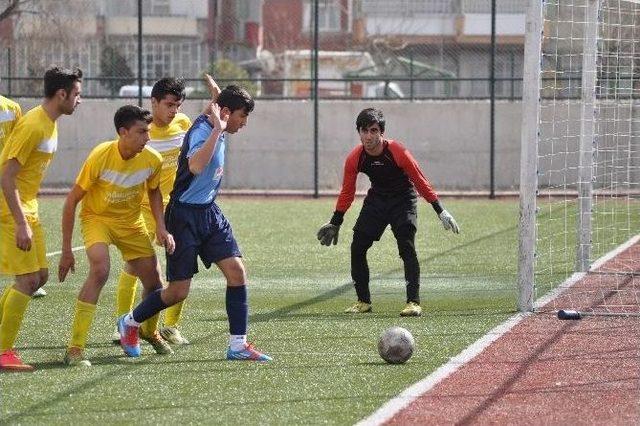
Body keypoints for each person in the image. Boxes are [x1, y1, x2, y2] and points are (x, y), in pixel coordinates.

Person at [117, 85, 271, 361]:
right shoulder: (204, 130)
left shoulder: (216, 121)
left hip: (209, 213)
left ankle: (237, 344)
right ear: (225, 114)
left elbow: (219, 108)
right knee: (177, 291)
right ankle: (130, 322)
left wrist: (218, 102)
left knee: (236, 272)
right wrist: (217, 130)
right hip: (183, 216)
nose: (244, 123)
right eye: (242, 117)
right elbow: (197, 166)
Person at [58, 105, 176, 366]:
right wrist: (66, 250)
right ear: (122, 132)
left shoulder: (152, 159)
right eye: (141, 132)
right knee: (100, 270)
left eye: (148, 132)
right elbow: (71, 201)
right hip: (97, 219)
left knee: (155, 282)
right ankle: (75, 349)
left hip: (131, 223)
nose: (147, 137)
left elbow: (154, 191)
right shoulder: (101, 156)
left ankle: (148, 331)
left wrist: (160, 225)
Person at [316, 107, 459, 317]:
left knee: (406, 247)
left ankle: (413, 302)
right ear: (359, 132)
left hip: (403, 200)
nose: (368, 136)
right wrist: (335, 221)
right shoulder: (355, 157)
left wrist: (440, 210)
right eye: (364, 131)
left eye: (373, 130)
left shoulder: (398, 151)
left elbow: (420, 181)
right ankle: (363, 302)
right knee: (357, 247)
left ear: (381, 131)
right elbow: (348, 191)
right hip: (377, 200)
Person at [111, 75, 220, 346]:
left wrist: (216, 97)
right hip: (145, 209)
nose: (174, 111)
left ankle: (170, 326)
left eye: (178, 106)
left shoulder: (183, 124)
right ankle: (122, 323)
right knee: (135, 266)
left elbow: (206, 119)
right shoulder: (142, 131)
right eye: (169, 104)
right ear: (154, 102)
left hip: (179, 209)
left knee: (180, 269)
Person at [0, 66, 82, 371]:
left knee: (41, 277)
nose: (79, 99)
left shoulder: (50, 122)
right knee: (27, 280)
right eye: (77, 93)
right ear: (61, 94)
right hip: (11, 210)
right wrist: (21, 222)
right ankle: (3, 350)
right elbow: (6, 178)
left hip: (28, 207)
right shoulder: (33, 125)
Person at [0, 87, 47, 299]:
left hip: (6, 184)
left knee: (38, 275)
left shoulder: (12, 108)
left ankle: (24, 281)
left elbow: (18, 147)